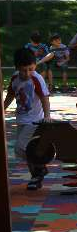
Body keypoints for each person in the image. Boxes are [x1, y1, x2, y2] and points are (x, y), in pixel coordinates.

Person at [3, 48, 51, 191]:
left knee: (20, 148)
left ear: (35, 65)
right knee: (29, 149)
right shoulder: (15, 78)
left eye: (31, 69)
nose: (27, 73)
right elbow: (10, 95)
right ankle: (36, 176)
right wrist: (3, 109)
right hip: (21, 119)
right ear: (17, 68)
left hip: (35, 120)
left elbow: (44, 97)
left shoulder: (37, 78)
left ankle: (40, 167)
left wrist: (47, 116)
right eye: (24, 70)